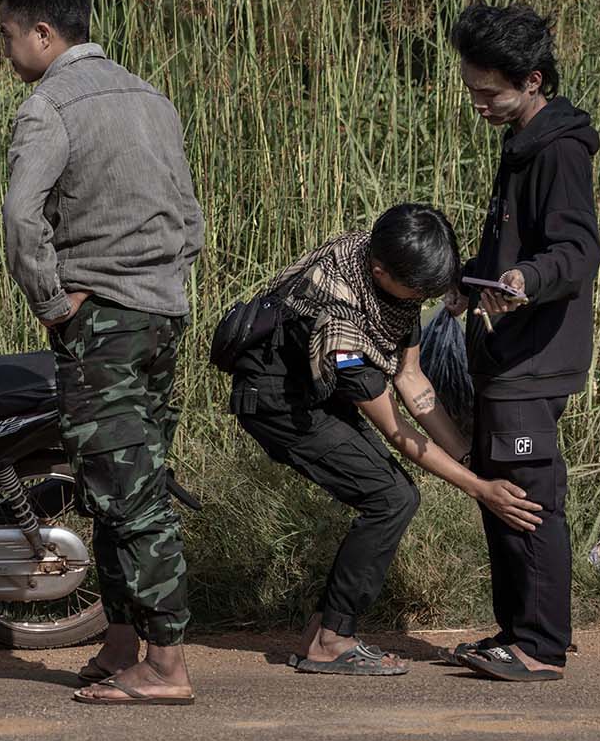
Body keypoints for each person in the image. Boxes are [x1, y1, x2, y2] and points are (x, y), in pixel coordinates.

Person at [0, 0, 204, 705]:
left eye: (9, 35)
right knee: (118, 482)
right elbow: (191, 218)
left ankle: (168, 664)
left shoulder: (49, 106)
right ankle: (122, 641)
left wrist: (54, 303)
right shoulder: (152, 98)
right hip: (162, 317)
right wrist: (163, 284)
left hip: (102, 323)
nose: (6, 50)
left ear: (43, 32)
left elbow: (22, 220)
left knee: (127, 493)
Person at [228, 204, 545, 675]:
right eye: (418, 291)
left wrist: (467, 455)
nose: (422, 298)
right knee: (390, 496)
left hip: (318, 389)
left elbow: (412, 379)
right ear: (381, 272)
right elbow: (397, 430)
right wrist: (479, 488)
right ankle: (333, 640)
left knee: (392, 495)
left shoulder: (393, 273)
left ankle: (321, 634)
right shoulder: (341, 320)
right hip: (277, 400)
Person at [442, 4, 600, 682]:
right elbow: (509, 240)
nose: (478, 103)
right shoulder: (521, 141)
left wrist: (525, 278)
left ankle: (540, 644)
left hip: (534, 358)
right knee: (501, 492)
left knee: (529, 496)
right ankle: (517, 631)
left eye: (489, 92)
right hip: (506, 353)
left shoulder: (559, 148)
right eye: (472, 89)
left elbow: (578, 249)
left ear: (533, 79)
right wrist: (470, 285)